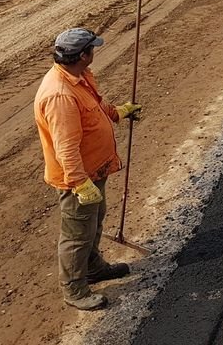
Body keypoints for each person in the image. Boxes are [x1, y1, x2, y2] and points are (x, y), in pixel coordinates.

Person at [34, 28, 143, 310]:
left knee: (94, 223)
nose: (95, 51)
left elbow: (95, 105)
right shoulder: (59, 96)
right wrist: (80, 184)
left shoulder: (77, 78)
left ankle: (93, 268)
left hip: (94, 170)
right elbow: (66, 148)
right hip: (78, 179)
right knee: (76, 235)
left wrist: (118, 112)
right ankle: (75, 291)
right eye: (92, 48)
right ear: (83, 55)